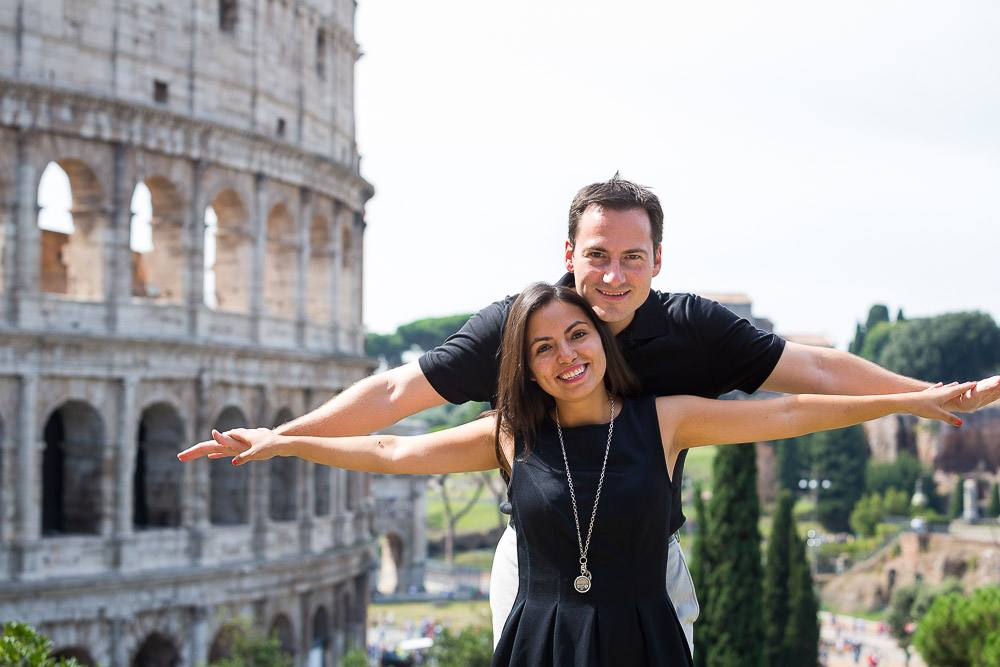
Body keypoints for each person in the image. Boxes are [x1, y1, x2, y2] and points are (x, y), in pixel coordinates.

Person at [199, 174, 1000, 653]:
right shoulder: (520, 327)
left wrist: (923, 395)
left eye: (633, 257)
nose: (613, 275)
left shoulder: (692, 331)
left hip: (651, 544)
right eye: (597, 256)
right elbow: (392, 412)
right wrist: (287, 434)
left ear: (658, 260)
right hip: (543, 545)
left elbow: (808, 383)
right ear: (568, 256)